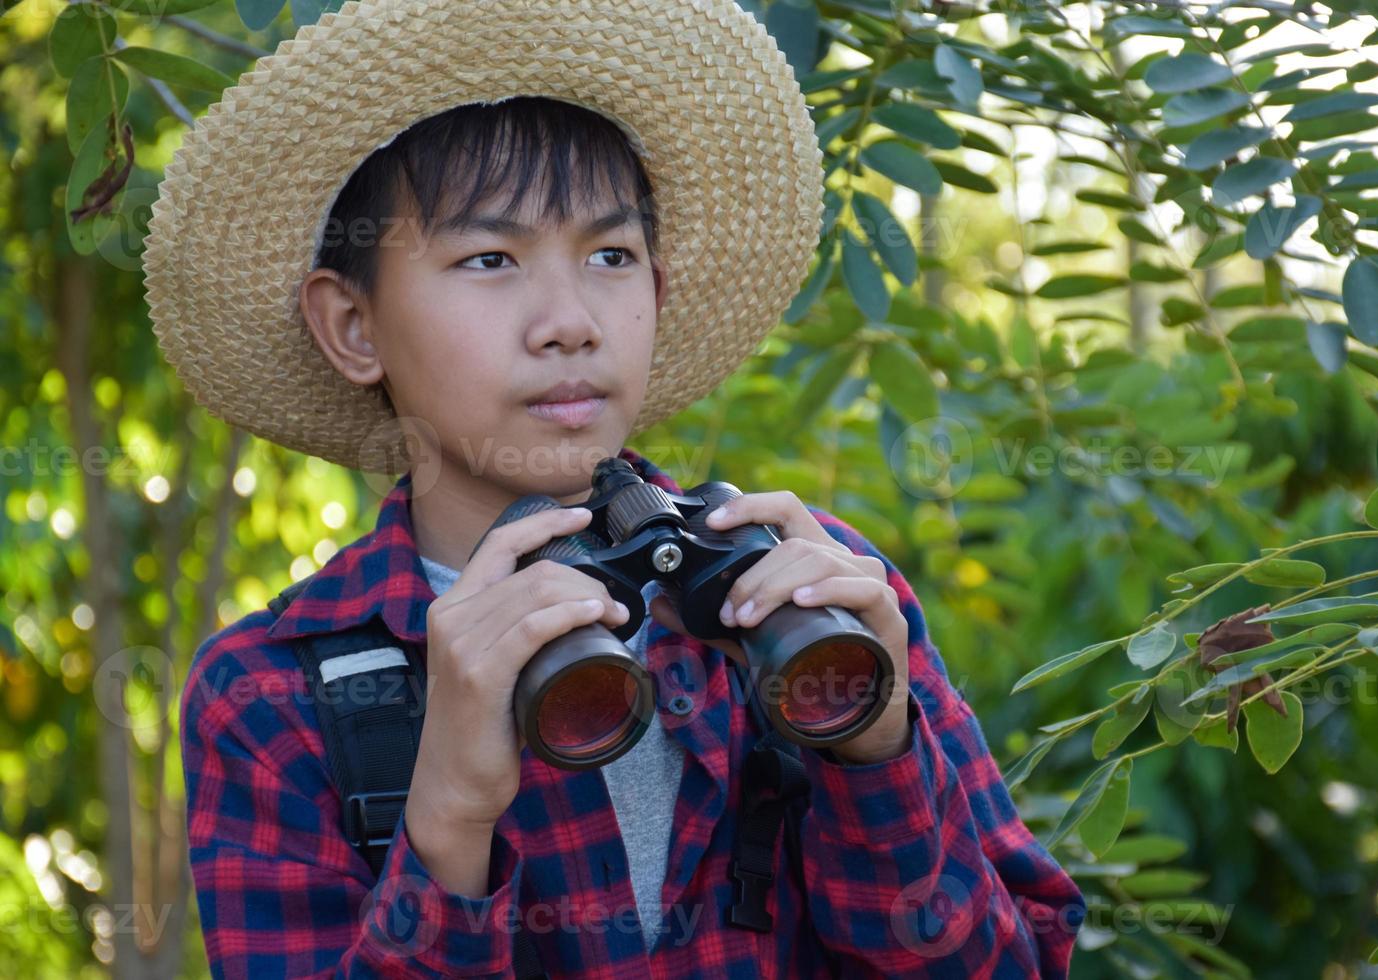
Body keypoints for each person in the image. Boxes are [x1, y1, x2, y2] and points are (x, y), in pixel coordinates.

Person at [140, 0, 1086, 975]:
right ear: (353, 326)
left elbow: (1016, 959)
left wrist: (875, 744)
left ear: (658, 293)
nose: (570, 321)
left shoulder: (819, 589)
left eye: (610, 255)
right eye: (489, 258)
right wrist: (451, 818)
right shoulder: (272, 695)